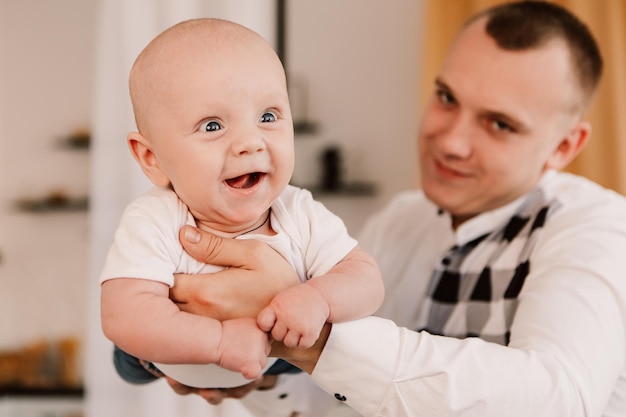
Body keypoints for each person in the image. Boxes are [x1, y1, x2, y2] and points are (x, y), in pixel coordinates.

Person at [170, 1, 626, 415]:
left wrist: (315, 340)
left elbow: (561, 400)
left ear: (566, 145)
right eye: (447, 97)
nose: (450, 142)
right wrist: (256, 374)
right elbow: (333, 401)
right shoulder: (400, 221)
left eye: (499, 124)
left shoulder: (600, 229)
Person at [99, 17, 384, 393]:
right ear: (151, 157)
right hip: (169, 360)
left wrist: (318, 297)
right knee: (129, 356)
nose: (250, 142)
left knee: (335, 339)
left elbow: (367, 280)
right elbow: (123, 315)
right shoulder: (155, 218)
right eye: (212, 126)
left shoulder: (298, 211)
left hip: (278, 357)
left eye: (268, 117)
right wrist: (218, 342)